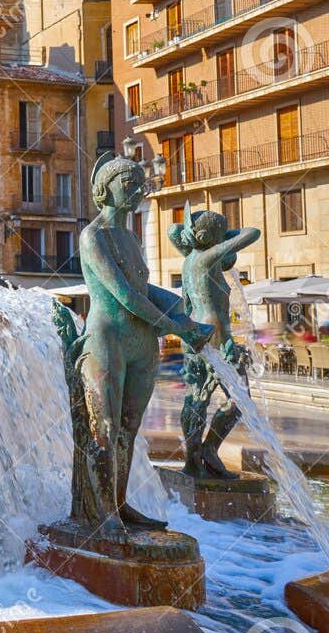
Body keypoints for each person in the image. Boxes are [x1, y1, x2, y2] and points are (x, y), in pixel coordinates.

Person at [72, 152, 213, 536]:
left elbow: (143, 288)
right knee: (104, 427)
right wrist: (180, 329)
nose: (137, 189)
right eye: (128, 183)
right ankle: (102, 515)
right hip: (107, 340)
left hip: (142, 342)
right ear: (105, 189)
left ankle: (119, 504)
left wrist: (180, 311)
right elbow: (125, 296)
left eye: (139, 182)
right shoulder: (93, 236)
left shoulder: (131, 238)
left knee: (129, 431)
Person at [169, 211, 261, 479]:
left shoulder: (190, 260)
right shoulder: (208, 257)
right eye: (221, 234)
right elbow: (252, 233)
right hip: (216, 335)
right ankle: (208, 450)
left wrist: (197, 236)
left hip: (195, 332)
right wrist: (222, 238)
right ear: (211, 237)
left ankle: (193, 460)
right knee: (240, 400)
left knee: (196, 397)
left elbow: (173, 229)